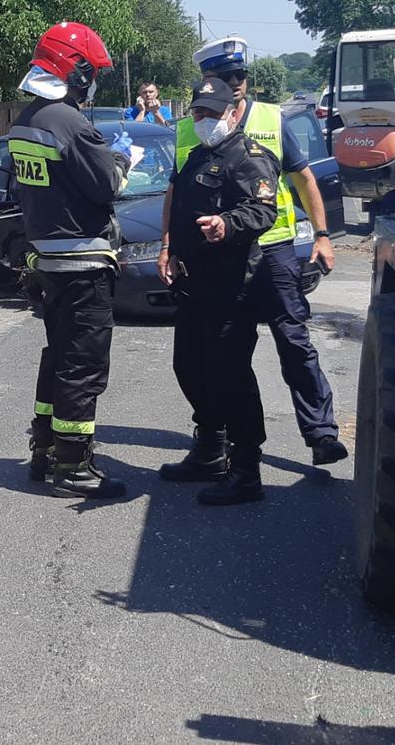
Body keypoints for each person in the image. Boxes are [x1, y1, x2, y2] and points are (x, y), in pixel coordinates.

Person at [160, 34, 348, 483]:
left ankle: (319, 432)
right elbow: (176, 192)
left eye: (241, 75)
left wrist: (322, 235)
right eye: (226, 76)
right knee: (209, 359)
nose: (237, 83)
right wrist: (168, 244)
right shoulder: (191, 128)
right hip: (216, 264)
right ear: (208, 80)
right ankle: (215, 445)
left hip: (275, 249)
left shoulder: (269, 120)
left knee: (292, 340)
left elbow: (302, 180)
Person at [8, 21, 133, 499]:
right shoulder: (71, 123)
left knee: (57, 359)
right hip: (83, 265)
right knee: (82, 366)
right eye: (93, 71)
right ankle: (74, 466)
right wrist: (119, 159)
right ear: (76, 71)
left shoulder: (27, 119)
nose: (94, 80)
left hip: (48, 265)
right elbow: (107, 186)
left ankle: (44, 452)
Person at [157, 77, 283, 505]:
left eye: (213, 113)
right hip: (194, 284)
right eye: (199, 113)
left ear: (233, 112)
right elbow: (177, 205)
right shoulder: (196, 156)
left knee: (230, 378)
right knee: (189, 368)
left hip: (233, 288)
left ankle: (246, 470)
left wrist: (227, 224)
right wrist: (169, 248)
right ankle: (209, 450)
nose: (205, 120)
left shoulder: (249, 159)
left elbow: (263, 210)